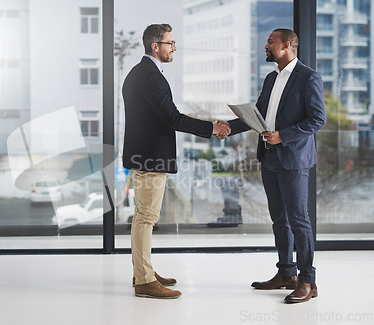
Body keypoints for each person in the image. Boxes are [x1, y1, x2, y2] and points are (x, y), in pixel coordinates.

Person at [122, 23, 230, 299]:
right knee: (146, 218)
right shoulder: (150, 76)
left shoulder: (142, 73)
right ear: (155, 46)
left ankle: (142, 271)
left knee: (143, 216)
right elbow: (172, 118)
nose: (174, 48)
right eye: (170, 43)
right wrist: (210, 128)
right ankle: (145, 280)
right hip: (149, 157)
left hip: (144, 153)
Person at [221, 28, 326, 303]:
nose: (266, 45)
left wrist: (283, 135)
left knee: (299, 221)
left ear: (287, 45)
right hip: (269, 158)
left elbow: (317, 120)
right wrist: (224, 128)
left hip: (294, 160)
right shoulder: (271, 78)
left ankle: (307, 281)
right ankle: (286, 274)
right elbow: (256, 117)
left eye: (271, 42)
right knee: (279, 220)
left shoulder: (308, 77)